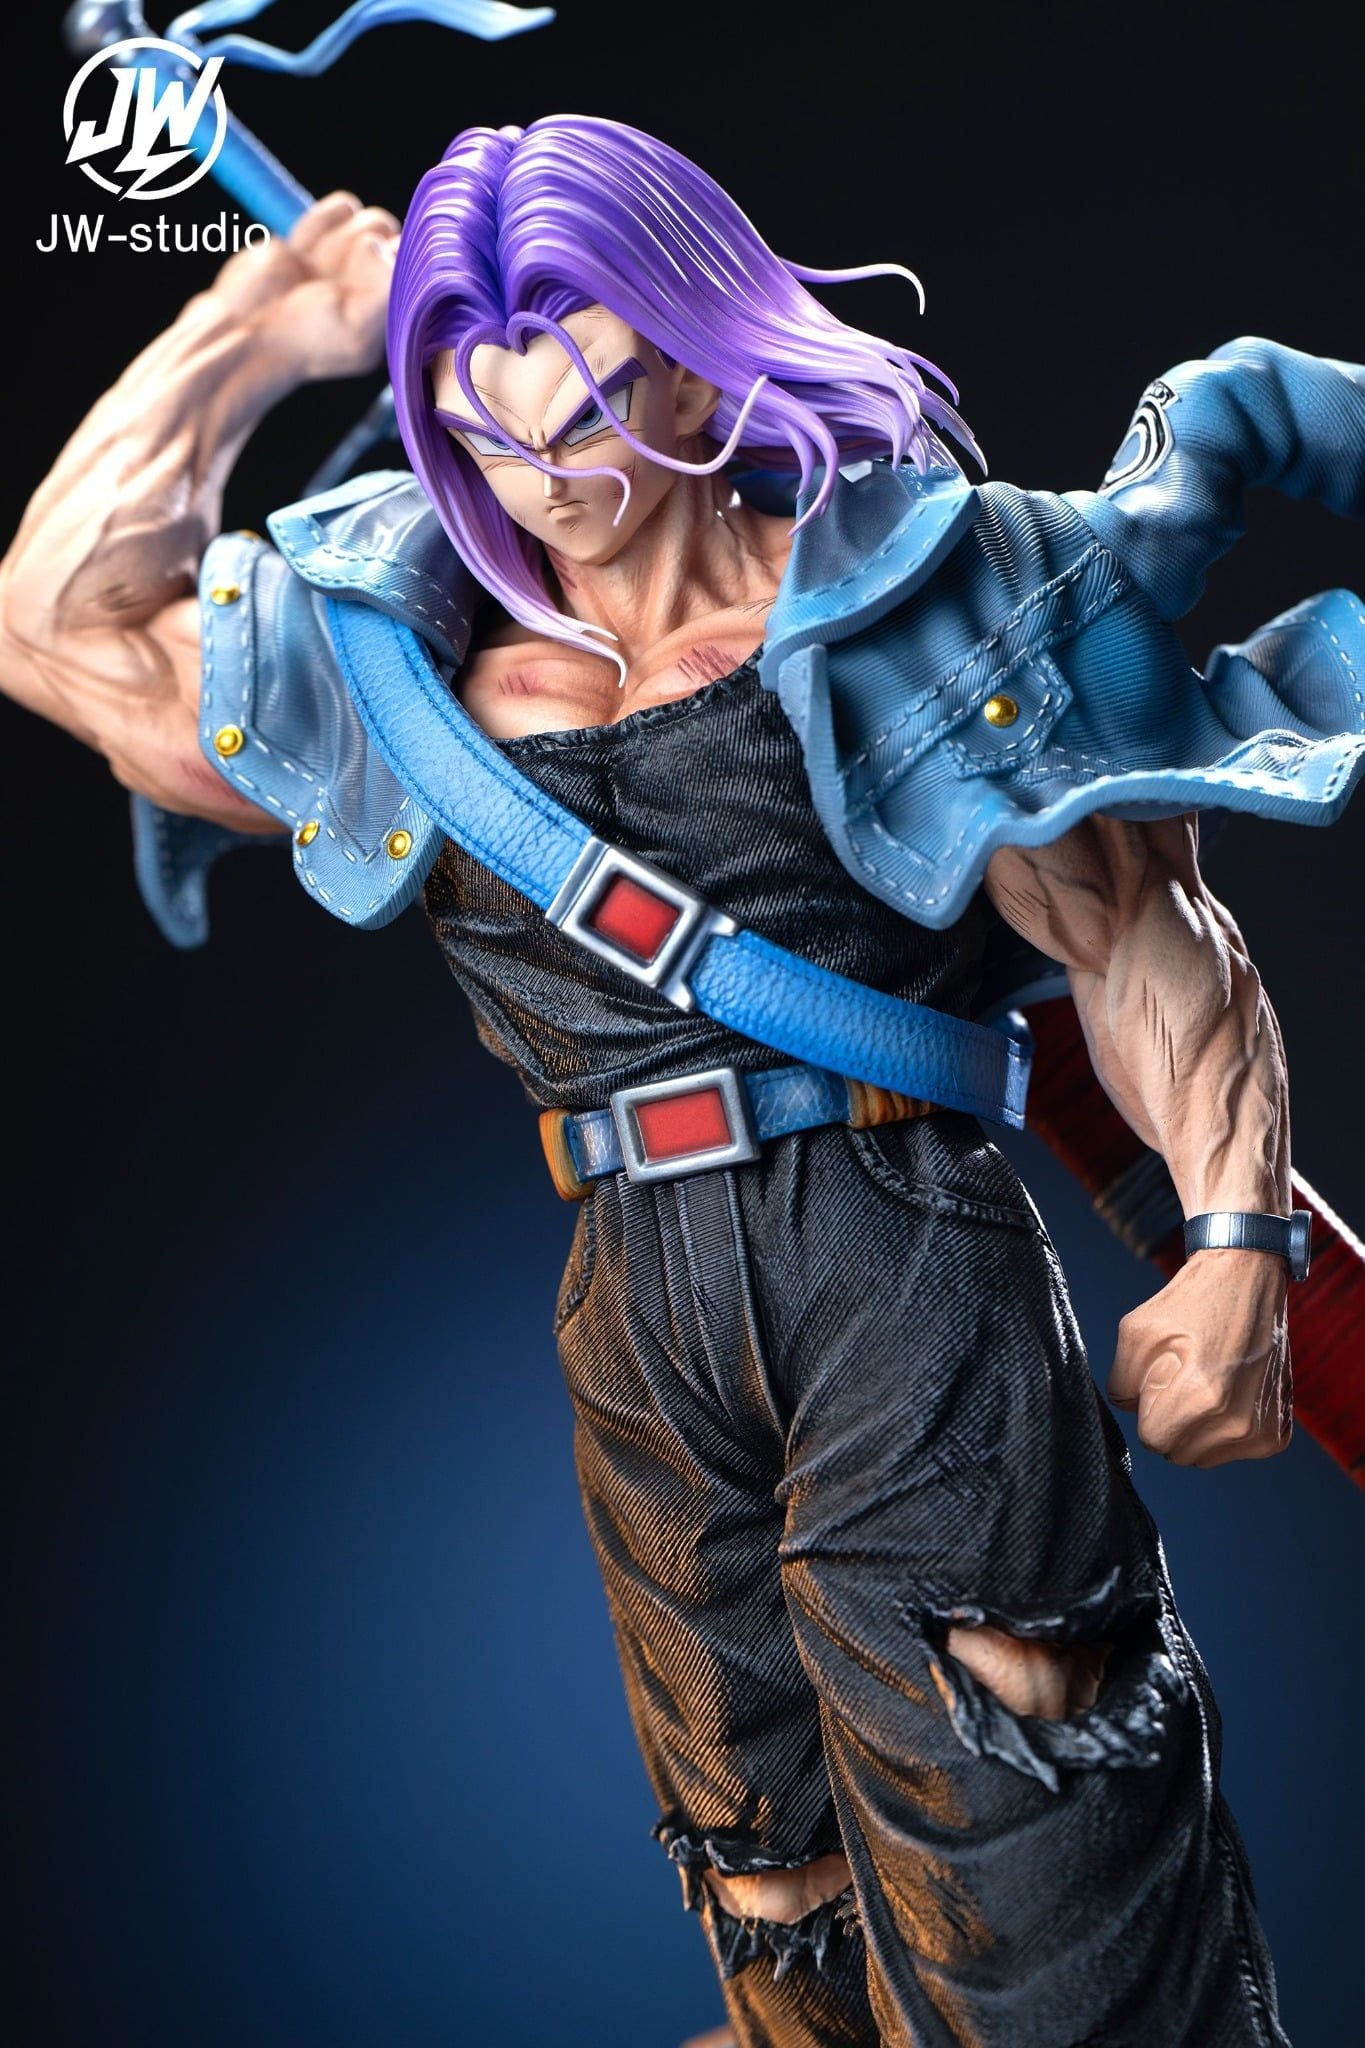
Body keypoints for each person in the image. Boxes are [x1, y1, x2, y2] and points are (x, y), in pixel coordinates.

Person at [4, 113, 1363, 2048]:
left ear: (705, 353)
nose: (546, 481)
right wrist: (261, 324)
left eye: (590, 411)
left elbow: (1142, 935)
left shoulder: (908, 598)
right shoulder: (393, 663)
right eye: (484, 433)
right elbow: (53, 627)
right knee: (764, 1883)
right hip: (631, 1300)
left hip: (897, 1263)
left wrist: (1232, 1249)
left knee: (1033, 1818)